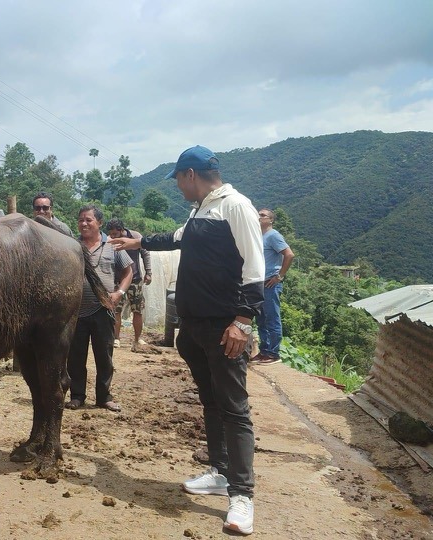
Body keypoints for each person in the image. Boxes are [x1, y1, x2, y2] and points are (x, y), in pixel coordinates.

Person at [110, 146, 264, 535]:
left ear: (190, 174)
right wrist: (138, 242)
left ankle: (242, 495)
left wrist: (242, 322)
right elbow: (175, 238)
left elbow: (255, 269)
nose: (178, 187)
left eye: (178, 180)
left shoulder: (235, 206)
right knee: (210, 400)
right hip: (194, 327)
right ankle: (220, 471)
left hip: (223, 325)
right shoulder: (200, 210)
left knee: (233, 406)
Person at [65, 206, 133, 413]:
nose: (83, 224)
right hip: (77, 311)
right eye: (80, 220)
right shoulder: (73, 246)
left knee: (104, 356)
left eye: (88, 220)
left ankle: (104, 397)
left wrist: (119, 293)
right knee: (76, 357)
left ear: (99, 223)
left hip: (103, 310)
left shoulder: (112, 246)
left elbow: (128, 271)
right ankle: (77, 396)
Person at [252, 208, 294, 365]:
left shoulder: (273, 235)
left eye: (263, 215)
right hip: (259, 283)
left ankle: (273, 353)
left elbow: (289, 254)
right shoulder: (258, 235)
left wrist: (279, 276)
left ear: (271, 220)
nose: (259, 216)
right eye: (258, 214)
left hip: (270, 283)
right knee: (261, 319)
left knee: (272, 318)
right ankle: (264, 352)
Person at [105, 219, 152, 351]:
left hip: (135, 279)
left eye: (115, 233)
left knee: (137, 310)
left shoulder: (135, 237)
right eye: (111, 234)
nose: (113, 236)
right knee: (116, 310)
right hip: (117, 281)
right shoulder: (109, 240)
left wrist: (149, 272)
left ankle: (137, 339)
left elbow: (145, 254)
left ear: (122, 230)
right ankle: (116, 338)